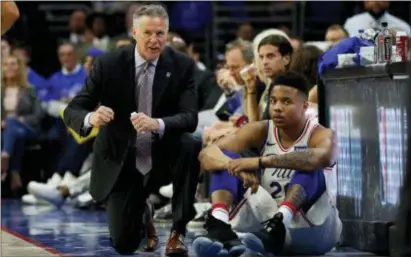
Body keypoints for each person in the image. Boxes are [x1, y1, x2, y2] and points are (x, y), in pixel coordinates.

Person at [63, 4, 201, 256]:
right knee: (124, 245)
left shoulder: (181, 64)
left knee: (189, 143)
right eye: (147, 32)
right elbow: (74, 109)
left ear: (167, 34)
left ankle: (177, 232)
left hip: (162, 154)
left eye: (160, 33)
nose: (154, 39)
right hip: (122, 158)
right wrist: (92, 117)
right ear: (134, 33)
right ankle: (143, 212)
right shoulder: (109, 64)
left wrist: (157, 124)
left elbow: (190, 117)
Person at [194, 71, 342, 257]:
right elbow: (207, 154)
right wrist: (234, 167)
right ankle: (220, 226)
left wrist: (260, 162)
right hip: (266, 229)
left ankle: (280, 223)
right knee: (225, 158)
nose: (277, 107)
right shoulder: (261, 129)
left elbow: (322, 158)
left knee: (309, 164)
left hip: (314, 231)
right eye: (273, 101)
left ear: (304, 106)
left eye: (286, 102)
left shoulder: (322, 134)